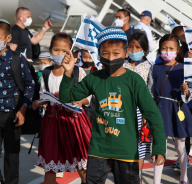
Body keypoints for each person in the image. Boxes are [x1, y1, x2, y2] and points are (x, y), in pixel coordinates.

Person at [59, 27, 166, 184]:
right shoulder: (94, 78)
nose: (110, 58)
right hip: (98, 150)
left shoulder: (134, 81)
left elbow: (152, 114)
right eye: (105, 53)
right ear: (99, 53)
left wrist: (159, 146)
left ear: (125, 53)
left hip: (127, 152)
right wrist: (68, 73)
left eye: (116, 53)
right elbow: (65, 97)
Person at [32, 32, 92, 184]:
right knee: (51, 163)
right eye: (56, 50)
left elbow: (90, 95)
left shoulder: (78, 71)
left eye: (64, 51)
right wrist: (39, 102)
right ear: (50, 50)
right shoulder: (46, 72)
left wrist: (81, 101)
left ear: (71, 53)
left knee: (81, 162)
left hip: (74, 121)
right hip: (52, 121)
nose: (60, 54)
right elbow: (43, 95)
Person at [147, 34, 192, 184]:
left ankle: (183, 177)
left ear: (177, 49)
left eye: (171, 48)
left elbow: (188, 96)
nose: (167, 51)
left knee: (180, 147)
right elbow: (151, 91)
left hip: (179, 109)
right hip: (160, 109)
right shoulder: (154, 68)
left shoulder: (184, 68)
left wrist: (185, 90)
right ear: (159, 49)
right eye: (164, 48)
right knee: (159, 146)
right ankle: (156, 181)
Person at [0, 19, 35, 184]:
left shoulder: (17, 59)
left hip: (13, 115)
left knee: (12, 157)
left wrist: (23, 110)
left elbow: (30, 85)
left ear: (8, 38)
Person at [123, 32, 151, 183]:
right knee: (125, 144)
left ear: (144, 50)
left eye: (138, 47)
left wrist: (147, 115)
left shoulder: (148, 67)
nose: (133, 50)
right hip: (123, 110)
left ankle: (137, 178)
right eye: (131, 47)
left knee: (139, 147)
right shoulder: (122, 65)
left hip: (140, 112)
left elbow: (150, 92)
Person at [170, 26, 192, 172]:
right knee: (183, 133)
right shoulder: (173, 55)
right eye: (179, 38)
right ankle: (183, 160)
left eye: (184, 38)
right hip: (180, 100)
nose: (182, 41)